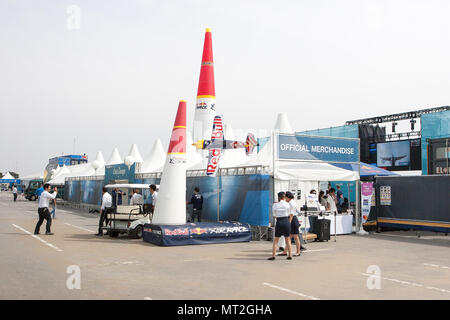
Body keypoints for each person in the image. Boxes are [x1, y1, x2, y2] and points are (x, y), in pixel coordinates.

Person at [268, 192, 293, 261]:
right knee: (287, 240)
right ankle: (290, 255)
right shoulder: (287, 204)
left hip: (279, 221)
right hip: (286, 221)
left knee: (276, 240)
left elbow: (274, 215)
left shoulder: (275, 205)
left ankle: (273, 255)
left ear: (278, 197)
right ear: (284, 197)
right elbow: (289, 213)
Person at [279, 192, 302, 257]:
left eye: (285, 197)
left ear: (288, 197)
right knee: (289, 237)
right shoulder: (291, 202)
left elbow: (291, 214)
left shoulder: (291, 203)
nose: (285, 199)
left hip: (292, 220)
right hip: (292, 219)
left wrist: (288, 223)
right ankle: (285, 251)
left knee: (295, 237)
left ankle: (298, 251)